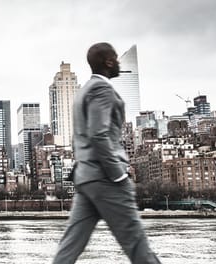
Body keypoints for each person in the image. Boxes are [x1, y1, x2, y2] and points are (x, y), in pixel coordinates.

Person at [52, 43, 161, 264]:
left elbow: (80, 138)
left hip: (86, 179)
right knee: (136, 243)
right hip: (106, 179)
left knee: (69, 247)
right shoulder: (102, 90)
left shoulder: (82, 93)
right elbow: (99, 135)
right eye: (115, 58)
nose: (119, 62)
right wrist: (119, 175)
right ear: (108, 62)